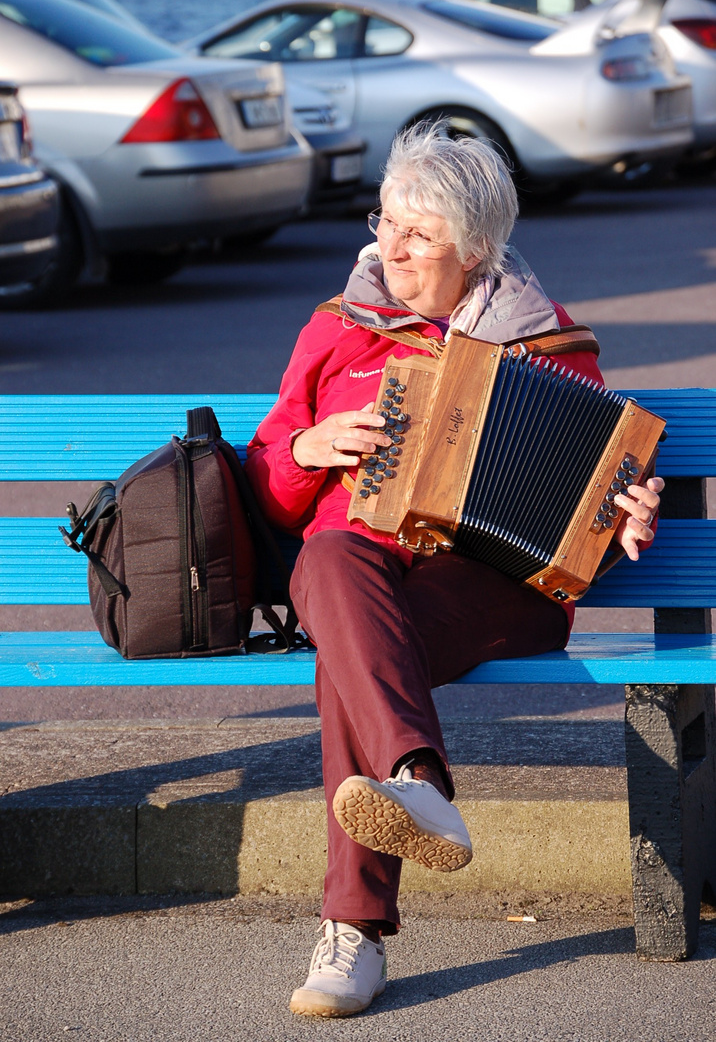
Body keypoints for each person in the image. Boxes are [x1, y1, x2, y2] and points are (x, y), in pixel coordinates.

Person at [244, 123, 663, 1019]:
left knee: (350, 660)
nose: (390, 245)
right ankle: (418, 787)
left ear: (475, 250)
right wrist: (310, 447)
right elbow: (274, 492)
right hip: (352, 574)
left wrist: (630, 505)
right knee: (328, 555)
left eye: (419, 232)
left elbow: (601, 481)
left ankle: (354, 931)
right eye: (386, 220)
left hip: (493, 589)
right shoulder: (336, 331)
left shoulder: (548, 343)